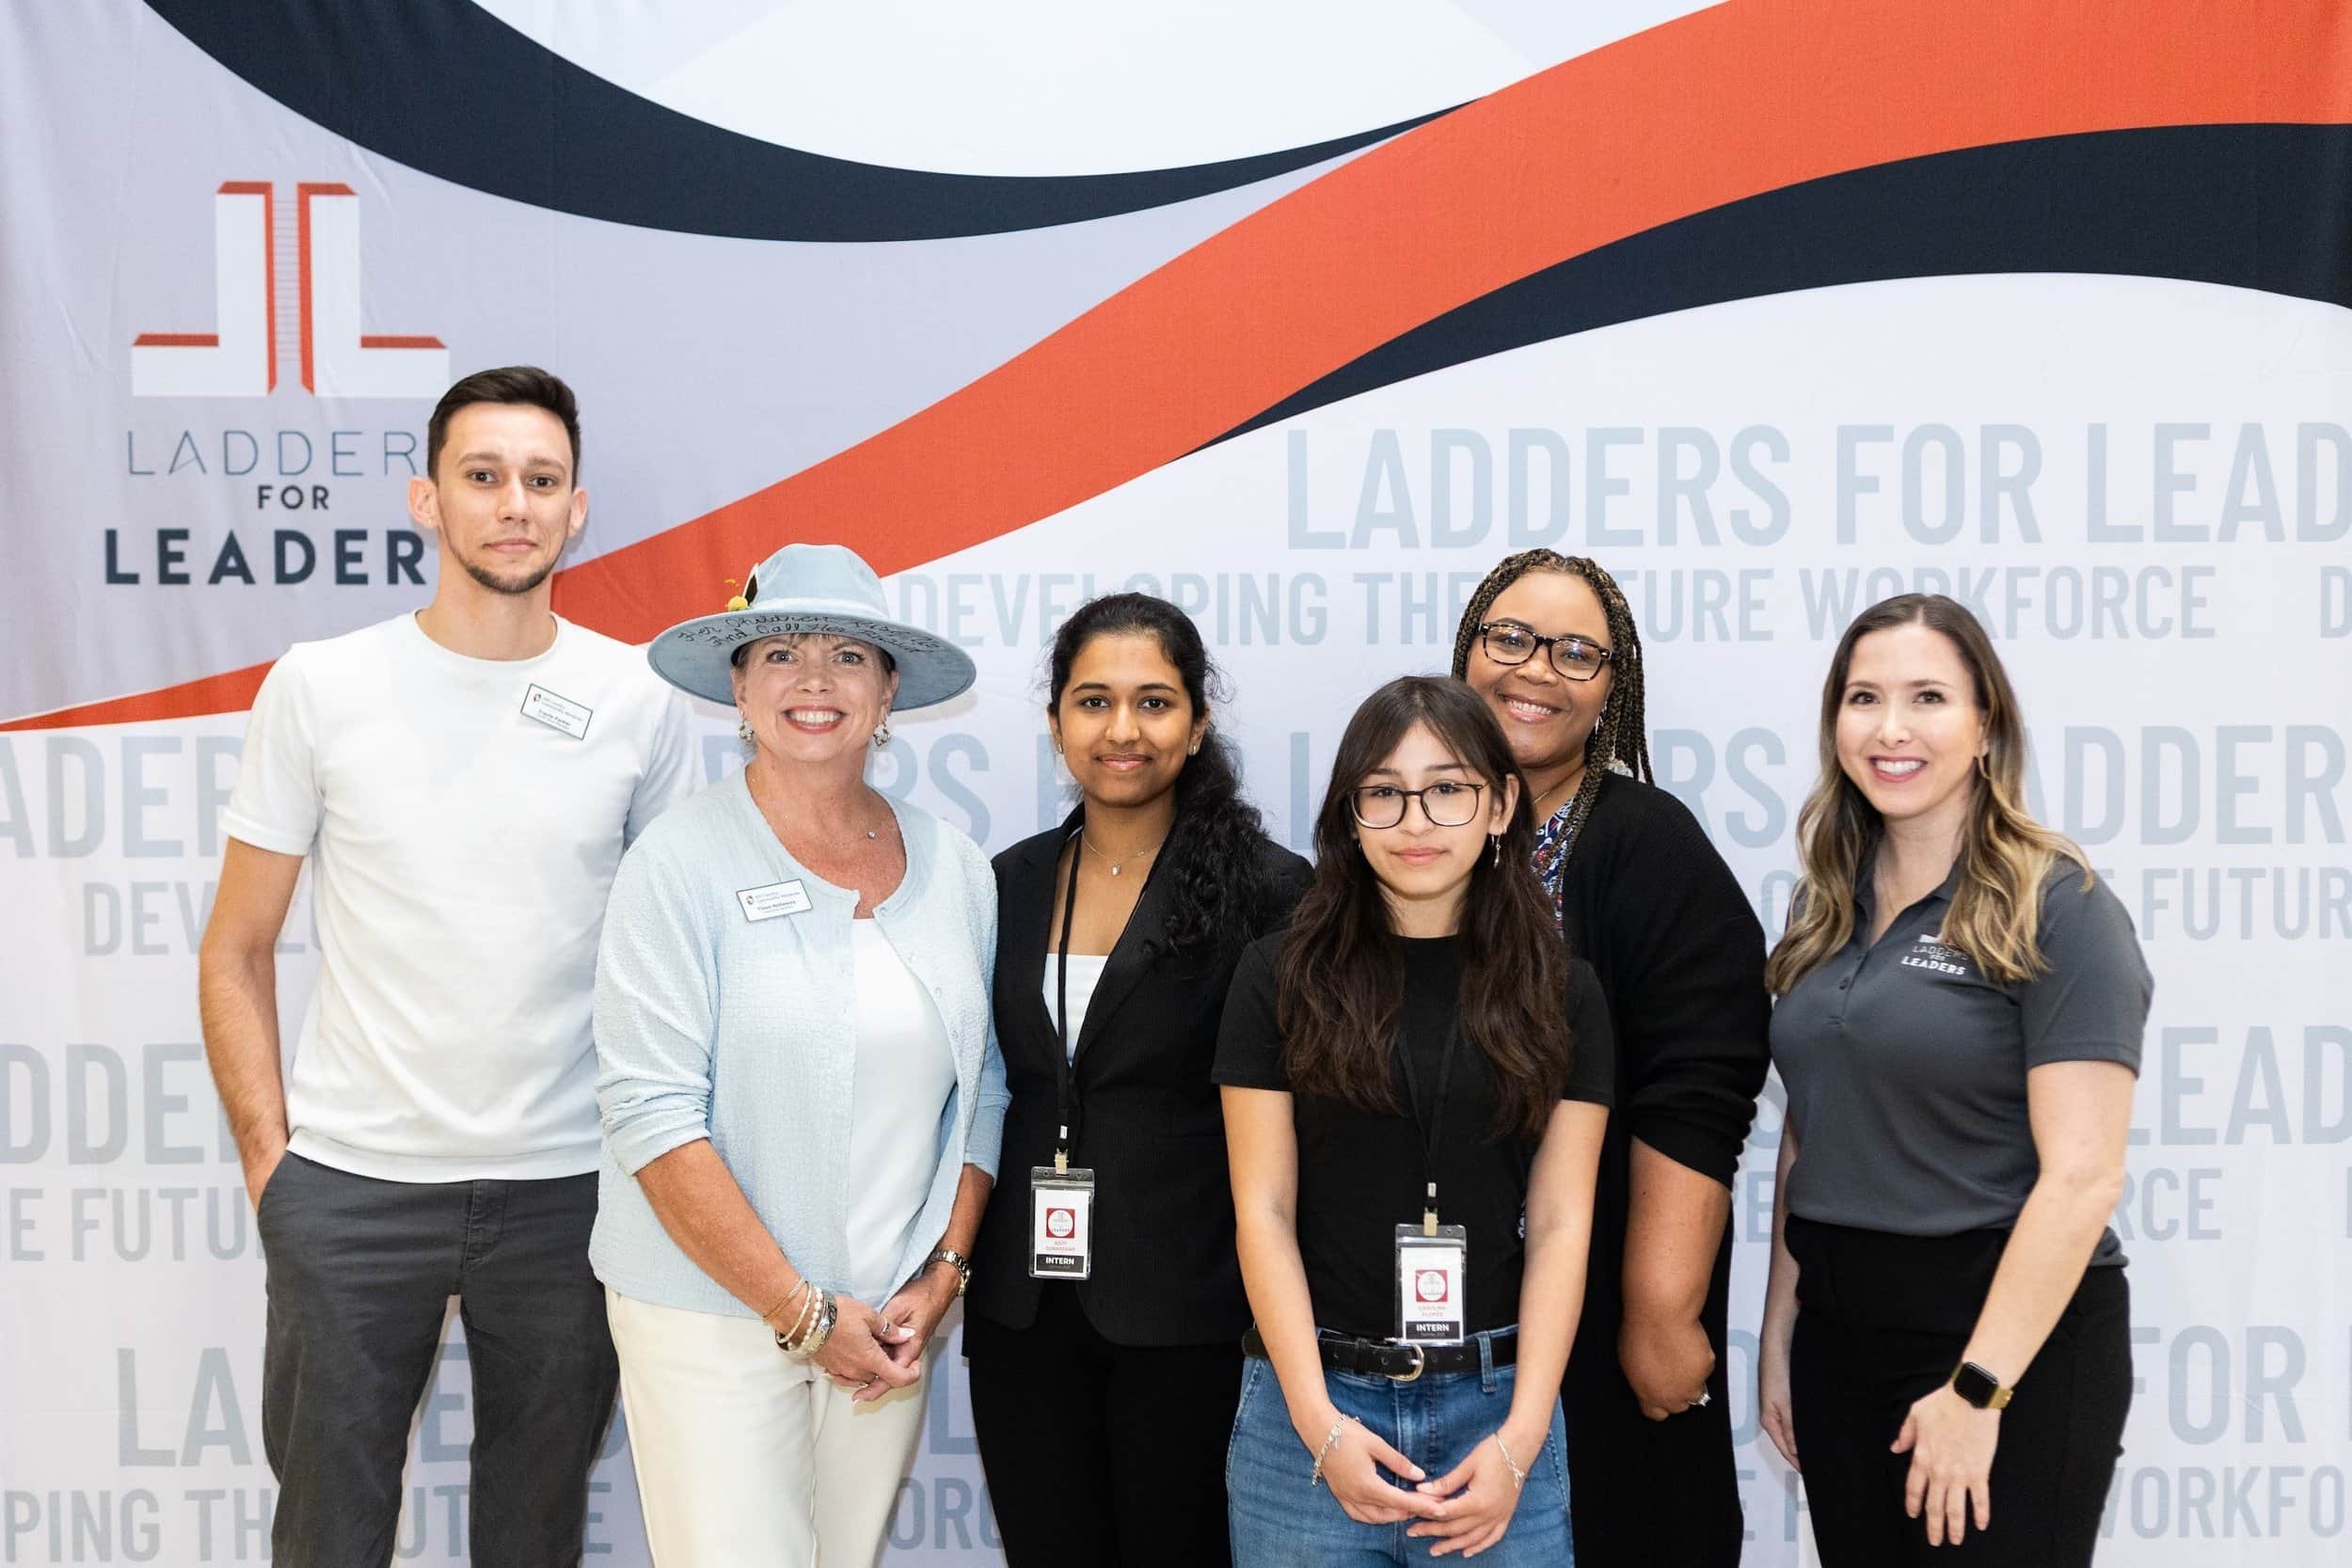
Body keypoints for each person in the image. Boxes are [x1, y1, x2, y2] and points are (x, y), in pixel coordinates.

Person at [198, 366, 695, 1567]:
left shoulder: (640, 699)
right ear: (427, 499)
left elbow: (673, 964)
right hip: (354, 1186)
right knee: (329, 1531)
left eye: (540, 480)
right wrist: (277, 1165)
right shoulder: (322, 684)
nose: (512, 503)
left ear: (577, 509)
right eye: (482, 477)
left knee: (534, 1536)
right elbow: (236, 947)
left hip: (571, 1188)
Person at [588, 542, 1007, 1567]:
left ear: (888, 688)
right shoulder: (676, 863)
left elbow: (983, 1089)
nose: (814, 678)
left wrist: (943, 1269)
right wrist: (802, 1311)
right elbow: (652, 1116)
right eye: (779, 652)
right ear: (737, 686)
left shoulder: (953, 864)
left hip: (886, 1317)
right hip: (712, 1317)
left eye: (848, 654)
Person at [1756, 594, 2145, 1564]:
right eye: (1863, 697)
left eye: (1927, 696)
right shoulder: (1821, 908)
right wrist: (1776, 1330)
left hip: (2001, 1337)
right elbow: (1812, 1134)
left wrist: (1979, 1389)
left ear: (1985, 726)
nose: (1890, 727)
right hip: (1839, 1336)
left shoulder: (2057, 905)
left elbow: (2083, 1175)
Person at [1216, 675, 1613, 1566]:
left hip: (1500, 1412)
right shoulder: (1275, 977)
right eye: (1384, 792)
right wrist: (1319, 1424)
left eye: (1448, 788)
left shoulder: (1564, 991)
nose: (1416, 819)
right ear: (1351, 816)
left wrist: (1521, 1436)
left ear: (1502, 804)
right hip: (1307, 1412)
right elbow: (1263, 1214)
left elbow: (1560, 1224)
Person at [965, 593, 1311, 1567]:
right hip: (1022, 1307)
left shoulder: (1273, 890)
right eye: (1093, 701)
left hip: (1190, 1307)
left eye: (1154, 701)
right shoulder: (1003, 882)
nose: (1122, 729)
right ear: (1055, 723)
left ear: (1198, 723)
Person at [1451, 550, 1769, 1564]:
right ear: (1466, 650)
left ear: (1612, 686)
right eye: (1510, 637)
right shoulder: (1429, 827)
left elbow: (1699, 1091)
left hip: (1605, 1300)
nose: (1535, 669)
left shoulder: (1645, 844)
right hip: (1459, 1310)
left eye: (1575, 651)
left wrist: (1658, 1309)